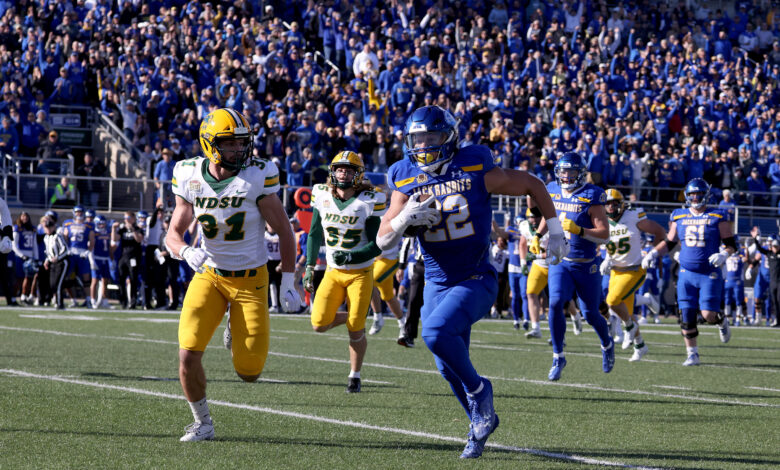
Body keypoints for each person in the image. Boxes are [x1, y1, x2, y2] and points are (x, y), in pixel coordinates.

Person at [376, 106, 566, 459]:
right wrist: (403, 219)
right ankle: (479, 426)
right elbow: (382, 239)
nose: (424, 145)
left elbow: (532, 184)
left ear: (449, 138)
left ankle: (481, 392)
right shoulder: (404, 174)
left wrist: (555, 229)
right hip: (436, 280)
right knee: (445, 366)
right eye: (418, 139)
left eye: (431, 137)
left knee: (435, 333)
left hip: (475, 276)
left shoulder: (474, 165)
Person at [165, 107, 301, 442]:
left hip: (251, 280)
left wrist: (287, 281)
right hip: (210, 275)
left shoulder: (257, 175)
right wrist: (185, 251)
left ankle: (233, 323)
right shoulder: (189, 174)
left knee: (249, 372)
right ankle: (203, 423)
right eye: (230, 143)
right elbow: (172, 234)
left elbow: (285, 230)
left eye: (242, 142)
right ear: (210, 144)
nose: (239, 149)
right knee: (187, 353)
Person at [303, 150, 385, 393]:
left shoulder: (368, 200)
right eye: (339, 169)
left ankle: (354, 375)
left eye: (349, 170)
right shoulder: (321, 194)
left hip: (360, 272)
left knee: (355, 328)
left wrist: (352, 256)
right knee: (318, 324)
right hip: (333, 271)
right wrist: (309, 267)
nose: (343, 173)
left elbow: (377, 245)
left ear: (358, 175)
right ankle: (354, 316)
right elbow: (314, 234)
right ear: (332, 172)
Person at [532, 152, 614, 382]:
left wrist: (580, 230)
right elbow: (549, 215)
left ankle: (607, 344)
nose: (566, 176)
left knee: (590, 314)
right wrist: (538, 235)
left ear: (580, 173)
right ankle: (558, 356)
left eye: (571, 171)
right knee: (556, 302)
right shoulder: (552, 189)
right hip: (561, 260)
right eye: (563, 171)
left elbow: (605, 234)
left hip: (586, 264)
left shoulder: (592, 195)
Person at [643, 178, 735, 366]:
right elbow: (669, 242)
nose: (695, 198)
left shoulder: (718, 215)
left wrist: (724, 254)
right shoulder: (679, 215)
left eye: (699, 194)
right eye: (692, 194)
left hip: (709, 273)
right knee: (686, 315)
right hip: (686, 273)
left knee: (708, 315)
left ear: (706, 195)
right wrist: (653, 253)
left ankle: (720, 320)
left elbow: (732, 244)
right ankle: (692, 354)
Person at [600, 189, 665, 362]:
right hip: (616, 271)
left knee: (612, 301)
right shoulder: (602, 220)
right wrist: (607, 259)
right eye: (607, 203)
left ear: (621, 204)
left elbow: (660, 231)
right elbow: (606, 243)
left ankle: (630, 326)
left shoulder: (633, 216)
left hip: (634, 270)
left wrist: (652, 253)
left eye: (614, 203)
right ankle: (640, 345)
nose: (611, 207)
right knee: (626, 313)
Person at [62, 205, 95, 307]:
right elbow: (64, 238)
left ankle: (88, 300)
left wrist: (88, 251)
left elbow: (92, 240)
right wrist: (66, 250)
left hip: (82, 254)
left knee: (86, 279)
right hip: (71, 253)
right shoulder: (68, 223)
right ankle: (73, 300)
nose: (79, 214)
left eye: (80, 212)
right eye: (77, 212)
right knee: (68, 277)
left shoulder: (89, 225)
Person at [112, 211, 144, 309]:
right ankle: (123, 301)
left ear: (133, 219)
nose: (126, 220)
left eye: (128, 218)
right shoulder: (123, 229)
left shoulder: (138, 228)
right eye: (125, 218)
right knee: (121, 279)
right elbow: (115, 239)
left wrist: (133, 230)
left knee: (133, 279)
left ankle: (133, 302)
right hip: (123, 257)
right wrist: (113, 228)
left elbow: (139, 240)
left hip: (133, 257)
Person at [749, 227, 780, 327]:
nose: (770, 244)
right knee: (758, 297)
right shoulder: (766, 250)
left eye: (772, 242)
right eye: (769, 242)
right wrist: (750, 268)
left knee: (773, 300)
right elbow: (757, 257)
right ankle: (758, 318)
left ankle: (771, 318)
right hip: (764, 276)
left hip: (774, 278)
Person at [42, 216, 69, 310]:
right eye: (47, 227)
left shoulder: (58, 236)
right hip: (52, 263)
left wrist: (58, 257)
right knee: (52, 284)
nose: (48, 229)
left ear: (54, 227)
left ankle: (59, 303)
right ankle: (56, 300)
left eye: (50, 227)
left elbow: (65, 249)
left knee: (58, 283)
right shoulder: (46, 238)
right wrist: (47, 260)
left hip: (61, 262)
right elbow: (48, 251)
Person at [12, 211, 39, 304]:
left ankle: (24, 296)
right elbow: (14, 245)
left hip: (30, 257)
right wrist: (22, 255)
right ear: (20, 217)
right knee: (19, 278)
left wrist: (36, 257)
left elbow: (34, 244)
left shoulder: (32, 229)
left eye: (26, 216)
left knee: (29, 278)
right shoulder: (17, 228)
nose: (25, 218)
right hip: (21, 257)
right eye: (23, 216)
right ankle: (14, 297)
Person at [90, 215, 112, 309]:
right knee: (94, 281)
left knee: (105, 280)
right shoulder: (93, 233)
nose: (102, 226)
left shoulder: (108, 232)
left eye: (103, 224)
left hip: (105, 259)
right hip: (97, 258)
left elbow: (110, 247)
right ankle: (92, 300)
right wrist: (92, 261)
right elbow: (91, 248)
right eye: (100, 224)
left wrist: (111, 260)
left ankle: (103, 301)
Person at [0, 196, 16, 306]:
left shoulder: (2, 204)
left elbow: (7, 224)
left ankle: (10, 299)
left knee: (5, 275)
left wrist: (6, 234)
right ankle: (10, 300)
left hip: (1, 248)